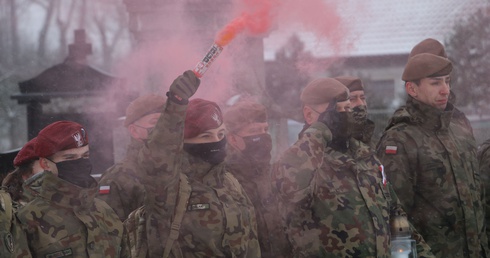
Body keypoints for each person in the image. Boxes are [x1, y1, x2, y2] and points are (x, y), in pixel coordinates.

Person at [272, 77, 433, 257]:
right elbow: (290, 185)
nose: (342, 117)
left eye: (346, 109)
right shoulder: (303, 163)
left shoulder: (366, 157)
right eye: (334, 112)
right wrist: (320, 130)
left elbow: (395, 214)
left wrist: (420, 253)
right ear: (309, 115)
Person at [124, 71, 260, 257]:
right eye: (206, 136)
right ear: (184, 141)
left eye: (220, 134)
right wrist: (176, 104)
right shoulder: (170, 186)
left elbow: (250, 243)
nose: (216, 141)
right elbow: (158, 157)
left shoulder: (230, 184)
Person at [376, 39, 489, 257]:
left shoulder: (459, 129)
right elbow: (394, 218)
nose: (445, 90)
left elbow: (478, 200)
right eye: (436, 83)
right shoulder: (400, 140)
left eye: (448, 81)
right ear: (412, 89)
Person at [15, 121, 125, 257]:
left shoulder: (104, 212)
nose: (79, 163)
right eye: (70, 158)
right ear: (45, 164)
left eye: (85, 156)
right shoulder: (26, 220)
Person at [224, 100, 290, 257]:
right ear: (233, 139)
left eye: (265, 129)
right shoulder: (226, 180)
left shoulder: (276, 173)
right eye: (254, 131)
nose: (263, 136)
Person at [98, 94, 165, 221]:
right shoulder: (117, 178)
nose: (164, 129)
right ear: (134, 131)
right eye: (155, 123)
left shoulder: (185, 166)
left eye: (168, 122)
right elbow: (108, 233)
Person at [334, 76, 375, 146]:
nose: (361, 104)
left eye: (362, 98)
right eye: (352, 99)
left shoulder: (370, 142)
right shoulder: (333, 143)